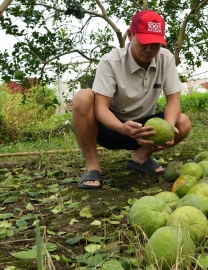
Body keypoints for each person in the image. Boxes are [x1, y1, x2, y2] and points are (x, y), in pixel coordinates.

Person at [72, 9, 191, 189]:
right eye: (144, 42)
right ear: (130, 35)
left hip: (146, 129)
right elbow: (101, 108)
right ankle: (93, 167)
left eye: (155, 43)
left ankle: (140, 157)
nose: (150, 49)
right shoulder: (110, 62)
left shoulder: (165, 59)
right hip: (111, 129)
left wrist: (168, 126)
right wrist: (122, 128)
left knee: (182, 122)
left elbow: (173, 101)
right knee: (82, 97)